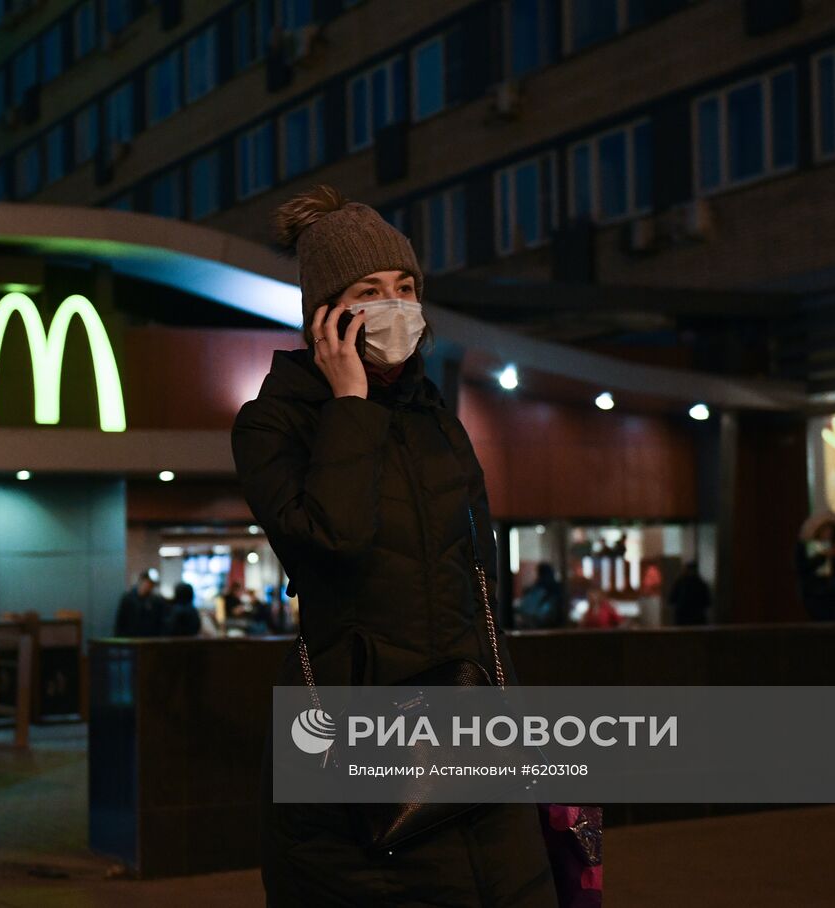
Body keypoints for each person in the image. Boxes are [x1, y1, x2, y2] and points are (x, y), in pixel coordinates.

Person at [232, 185, 556, 906]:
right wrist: (350, 406)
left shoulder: (432, 415)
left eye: (406, 286)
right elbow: (332, 542)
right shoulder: (271, 426)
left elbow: (480, 574)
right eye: (371, 290)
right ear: (326, 315)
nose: (397, 304)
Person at [795, 516, 835, 622]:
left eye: (830, 531)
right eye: (825, 530)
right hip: (813, 592)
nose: (828, 534)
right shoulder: (805, 548)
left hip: (832, 592)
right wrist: (823, 556)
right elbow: (803, 568)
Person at [114, 571, 164, 637]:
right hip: (130, 639)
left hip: (148, 640)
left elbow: (159, 623)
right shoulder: (128, 598)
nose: (150, 586)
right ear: (141, 581)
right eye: (149, 583)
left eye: (152, 584)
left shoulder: (155, 601)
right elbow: (120, 622)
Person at [516, 563, 566, 629]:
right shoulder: (555, 588)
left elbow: (527, 609)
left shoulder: (539, 589)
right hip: (554, 628)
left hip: (540, 627)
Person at [668, 561, 711, 626]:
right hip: (695, 617)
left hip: (684, 616)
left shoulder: (681, 583)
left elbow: (672, 599)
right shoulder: (701, 584)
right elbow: (707, 602)